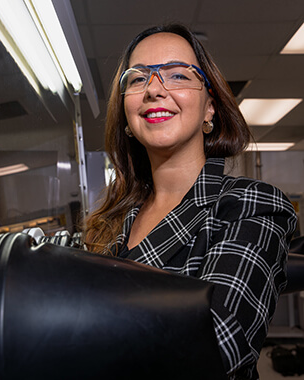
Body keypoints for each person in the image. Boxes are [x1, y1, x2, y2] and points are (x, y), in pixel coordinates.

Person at [83, 24, 297, 379]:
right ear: (125, 113)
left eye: (178, 75)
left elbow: (215, 344)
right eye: (137, 79)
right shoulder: (109, 221)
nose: (153, 89)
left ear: (209, 108)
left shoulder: (252, 204)